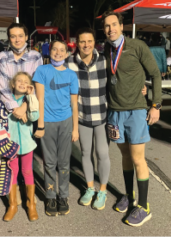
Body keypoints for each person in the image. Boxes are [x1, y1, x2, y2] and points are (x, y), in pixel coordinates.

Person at [101, 11, 162, 227]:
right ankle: (129, 196)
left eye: (114, 25)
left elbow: (155, 74)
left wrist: (155, 104)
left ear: (122, 26)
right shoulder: (106, 49)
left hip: (136, 110)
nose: (111, 29)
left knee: (138, 158)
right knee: (125, 156)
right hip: (114, 112)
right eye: (107, 26)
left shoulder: (137, 46)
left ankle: (144, 207)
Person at [0, 22, 43, 208]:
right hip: (8, 111)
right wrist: (15, 108)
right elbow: (3, 86)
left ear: (26, 37)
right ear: (9, 38)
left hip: (29, 107)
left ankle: (31, 203)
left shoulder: (36, 56)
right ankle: (13, 203)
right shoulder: (1, 58)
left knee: (27, 165)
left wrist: (24, 107)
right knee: (10, 165)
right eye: (13, 36)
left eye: (20, 36)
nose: (17, 39)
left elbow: (37, 83)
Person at [65, 27, 111, 210]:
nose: (86, 45)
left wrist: (142, 89)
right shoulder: (69, 62)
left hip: (102, 116)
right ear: (77, 43)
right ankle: (90, 188)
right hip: (82, 116)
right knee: (85, 153)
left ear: (94, 42)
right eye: (82, 41)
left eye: (89, 41)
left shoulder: (104, 61)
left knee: (102, 154)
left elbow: (119, 81)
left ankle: (103, 191)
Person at [33, 40, 79, 216]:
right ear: (49, 51)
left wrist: (75, 129)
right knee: (50, 162)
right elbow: (40, 100)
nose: (58, 53)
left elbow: (74, 104)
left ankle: (63, 196)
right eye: (55, 49)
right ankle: (51, 196)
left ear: (67, 54)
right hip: (48, 123)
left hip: (66, 122)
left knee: (64, 162)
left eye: (62, 50)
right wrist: (41, 125)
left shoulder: (71, 75)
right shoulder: (41, 71)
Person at [3, 72, 40, 222]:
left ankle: (31, 205)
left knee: (27, 171)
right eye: (19, 81)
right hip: (10, 144)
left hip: (26, 143)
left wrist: (31, 97)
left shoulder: (29, 99)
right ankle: (13, 205)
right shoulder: (6, 100)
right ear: (13, 84)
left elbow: (34, 117)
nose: (22, 83)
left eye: (26, 81)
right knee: (12, 172)